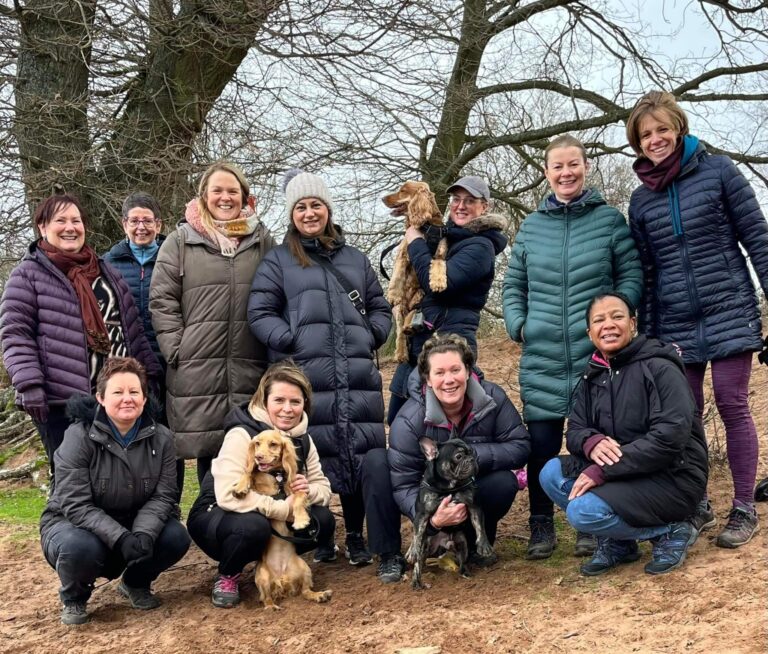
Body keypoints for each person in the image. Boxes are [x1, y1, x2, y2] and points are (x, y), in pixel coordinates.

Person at [626, 91, 768, 548]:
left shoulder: (720, 171)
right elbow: (646, 272)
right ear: (637, 143)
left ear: (679, 128)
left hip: (729, 308)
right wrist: (645, 336)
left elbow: (758, 240)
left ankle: (743, 507)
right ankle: (697, 502)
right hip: (675, 323)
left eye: (662, 129)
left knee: (731, 402)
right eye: (646, 134)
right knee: (684, 418)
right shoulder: (640, 200)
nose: (656, 139)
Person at [502, 134, 642, 560]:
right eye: (558, 166)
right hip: (541, 355)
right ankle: (541, 523)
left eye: (573, 164)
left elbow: (631, 277)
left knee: (594, 441)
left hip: (595, 356)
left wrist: (616, 323)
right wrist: (519, 325)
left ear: (585, 167)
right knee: (542, 443)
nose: (566, 172)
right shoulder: (531, 227)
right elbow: (513, 284)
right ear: (546, 173)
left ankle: (588, 516)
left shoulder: (609, 221)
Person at [248, 169, 394, 570]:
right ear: (291, 213)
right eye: (301, 207)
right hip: (309, 377)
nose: (309, 213)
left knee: (361, 454)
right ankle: (324, 535)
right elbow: (259, 313)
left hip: (357, 374)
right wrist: (293, 342)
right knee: (318, 457)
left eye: (315, 205)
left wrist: (372, 333)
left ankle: (358, 537)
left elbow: (380, 307)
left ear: (327, 210)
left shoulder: (355, 259)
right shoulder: (278, 261)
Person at [539, 293, 708, 576]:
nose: (609, 325)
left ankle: (670, 530)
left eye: (617, 317)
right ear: (589, 332)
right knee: (550, 474)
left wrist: (604, 468)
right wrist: (592, 442)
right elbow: (576, 430)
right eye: (599, 320)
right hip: (626, 475)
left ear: (632, 323)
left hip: (673, 477)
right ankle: (620, 542)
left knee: (583, 512)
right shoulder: (593, 374)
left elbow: (670, 438)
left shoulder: (660, 366)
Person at [0, 194, 161, 475]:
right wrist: (29, 385)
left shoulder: (105, 271)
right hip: (61, 400)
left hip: (113, 398)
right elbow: (16, 334)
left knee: (116, 478)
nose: (70, 227)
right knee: (70, 479)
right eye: (60, 221)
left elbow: (131, 332)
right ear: (42, 227)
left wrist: (151, 377)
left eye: (76, 220)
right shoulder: (27, 275)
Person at [150, 162, 275, 484]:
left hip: (251, 364)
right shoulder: (180, 241)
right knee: (210, 453)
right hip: (197, 366)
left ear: (245, 198)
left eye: (232, 191)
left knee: (251, 450)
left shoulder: (262, 241)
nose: (225, 197)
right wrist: (177, 349)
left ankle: (246, 528)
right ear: (204, 196)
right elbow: (162, 301)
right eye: (217, 190)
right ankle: (211, 527)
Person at [39, 357, 190, 625]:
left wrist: (143, 533)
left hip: (134, 521)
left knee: (175, 536)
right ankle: (74, 597)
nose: (127, 399)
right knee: (79, 547)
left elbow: (164, 495)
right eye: (117, 392)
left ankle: (135, 583)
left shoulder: (163, 438)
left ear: (145, 398)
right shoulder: (78, 436)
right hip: (74, 525)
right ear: (100, 397)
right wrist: (120, 538)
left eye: (134, 392)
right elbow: (75, 504)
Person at [187, 360, 335, 608]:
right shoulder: (242, 434)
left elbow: (324, 488)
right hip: (219, 515)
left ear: (304, 405)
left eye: (295, 402)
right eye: (279, 400)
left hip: (272, 513)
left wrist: (308, 489)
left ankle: (275, 563)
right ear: (264, 400)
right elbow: (226, 496)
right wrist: (284, 510)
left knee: (323, 520)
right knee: (253, 527)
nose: (287, 409)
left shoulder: (303, 439)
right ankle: (228, 574)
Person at [388, 332, 530, 574]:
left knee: (504, 482)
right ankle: (432, 544)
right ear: (428, 379)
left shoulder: (493, 398)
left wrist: (468, 455)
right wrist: (433, 520)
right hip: (433, 500)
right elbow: (403, 485)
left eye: (455, 370)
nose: (449, 380)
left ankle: (478, 543)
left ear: (468, 370)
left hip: (474, 489)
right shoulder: (409, 420)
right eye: (439, 373)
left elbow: (520, 445)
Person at [387, 175, 508, 424]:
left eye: (470, 200)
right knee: (398, 420)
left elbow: (440, 285)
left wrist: (416, 242)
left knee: (437, 427)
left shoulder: (480, 247)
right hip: (418, 343)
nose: (460, 206)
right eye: (456, 199)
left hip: (450, 347)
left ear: (484, 206)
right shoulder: (446, 238)